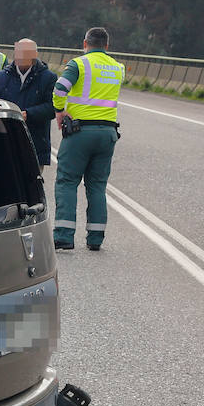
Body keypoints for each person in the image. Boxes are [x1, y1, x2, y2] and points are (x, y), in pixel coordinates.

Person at [52, 26, 124, 251]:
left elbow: (60, 88)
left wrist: (59, 110)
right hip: (108, 134)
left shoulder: (79, 64)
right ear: (107, 46)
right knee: (97, 186)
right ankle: (95, 238)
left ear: (85, 44)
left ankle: (64, 235)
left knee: (67, 181)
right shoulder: (118, 68)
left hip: (80, 133)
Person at [0, 38, 56, 168]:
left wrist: (28, 114)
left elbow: (52, 108)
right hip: (7, 141)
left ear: (35, 55)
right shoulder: (1, 77)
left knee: (31, 185)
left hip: (35, 143)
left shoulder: (48, 78)